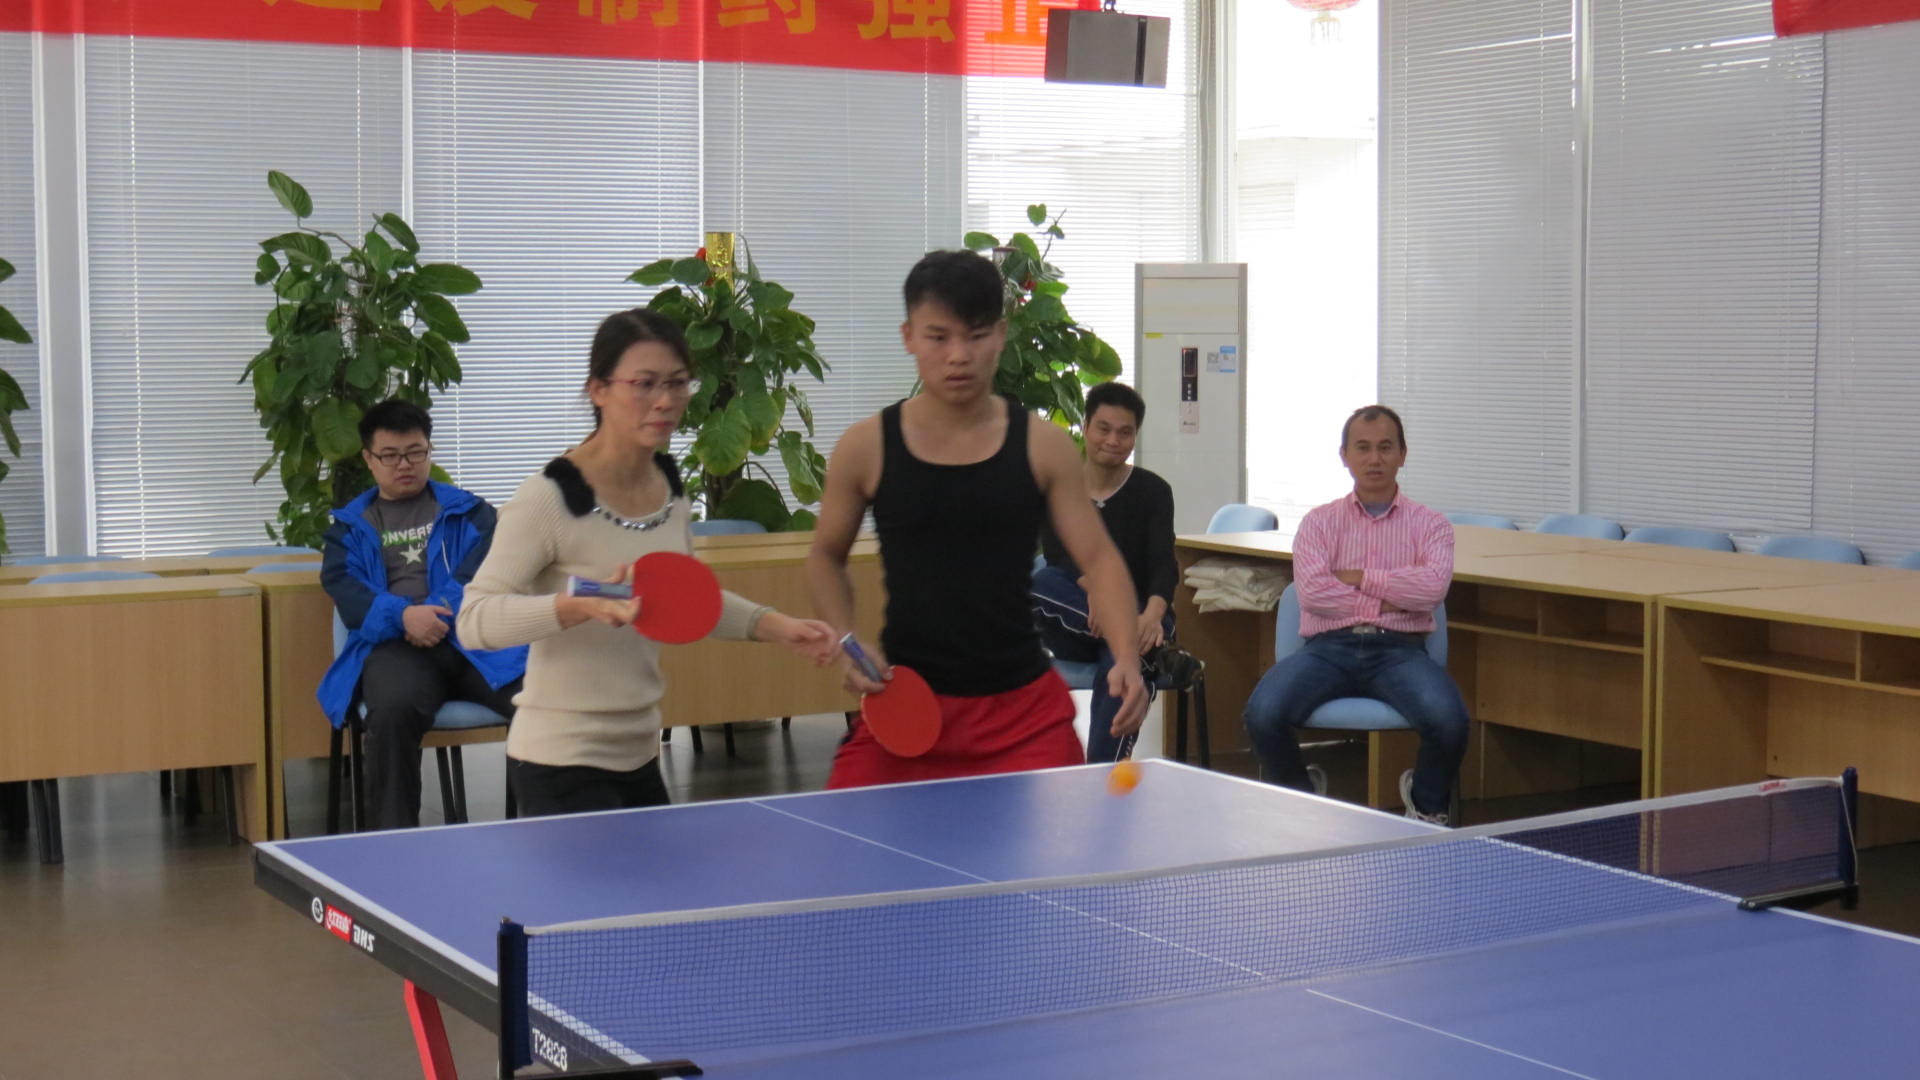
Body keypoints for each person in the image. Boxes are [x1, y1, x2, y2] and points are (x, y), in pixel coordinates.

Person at [455, 309, 835, 817]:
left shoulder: (669, 489)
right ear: (598, 390)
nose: (664, 400)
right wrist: (579, 605)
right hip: (559, 760)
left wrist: (781, 627)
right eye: (644, 383)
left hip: (639, 755)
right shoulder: (548, 497)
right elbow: (474, 621)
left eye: (677, 383)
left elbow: (681, 598)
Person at [806, 250, 1150, 789]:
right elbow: (826, 555)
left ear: (1001, 335)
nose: (958, 356)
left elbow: (1099, 558)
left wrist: (1126, 656)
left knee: (1068, 840)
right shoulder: (865, 447)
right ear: (908, 336)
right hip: (908, 708)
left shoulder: (1042, 446)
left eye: (976, 335)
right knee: (846, 836)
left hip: (1024, 717)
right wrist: (848, 643)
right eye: (938, 337)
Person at [1241, 404, 1468, 824]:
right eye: (1362, 448)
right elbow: (1313, 593)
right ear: (1344, 456)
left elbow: (1431, 590)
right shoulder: (1319, 522)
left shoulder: (1431, 525)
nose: (1374, 458)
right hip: (1327, 648)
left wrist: (1358, 578)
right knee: (1262, 714)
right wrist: (1390, 598)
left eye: (1385, 447)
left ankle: (1425, 807)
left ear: (1402, 454)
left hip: (1400, 650)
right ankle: (1302, 799)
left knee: (1450, 721)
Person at [317, 399, 528, 831]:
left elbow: (488, 571)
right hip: (396, 647)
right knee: (392, 711)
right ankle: (396, 845)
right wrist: (404, 617)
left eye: (415, 452)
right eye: (390, 455)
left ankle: (548, 830)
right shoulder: (349, 528)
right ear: (369, 459)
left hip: (473, 639)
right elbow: (347, 592)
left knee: (542, 700)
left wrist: (439, 612)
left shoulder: (472, 512)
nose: (404, 464)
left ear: (429, 450)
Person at [1031, 380, 1177, 762]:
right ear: (1085, 426)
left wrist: (1153, 613)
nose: (1113, 440)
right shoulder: (1058, 488)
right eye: (1104, 428)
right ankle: (1143, 650)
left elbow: (1163, 563)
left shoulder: (1153, 491)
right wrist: (1098, 591)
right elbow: (1060, 555)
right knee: (1040, 582)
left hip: (1144, 622)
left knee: (1120, 664)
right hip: (1078, 615)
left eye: (1125, 432)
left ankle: (1100, 779)